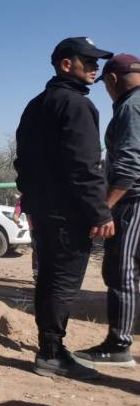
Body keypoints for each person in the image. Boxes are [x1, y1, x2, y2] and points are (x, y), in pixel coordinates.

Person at [14, 36, 115, 380]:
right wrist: (100, 211)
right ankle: (52, 354)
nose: (95, 67)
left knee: (50, 279)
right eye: (88, 61)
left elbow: (22, 162)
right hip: (68, 213)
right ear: (65, 64)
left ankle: (50, 347)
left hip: (43, 210)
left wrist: (28, 199)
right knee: (63, 283)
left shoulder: (35, 104)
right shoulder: (77, 106)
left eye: (96, 62)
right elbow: (84, 165)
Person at [75, 54, 140, 368]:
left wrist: (106, 208)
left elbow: (129, 164)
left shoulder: (131, 107)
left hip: (132, 202)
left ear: (112, 80)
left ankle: (118, 345)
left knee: (121, 272)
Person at [13, 195, 38, 280]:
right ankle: (36, 273)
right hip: (35, 230)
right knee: (37, 251)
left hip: (45, 229)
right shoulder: (23, 198)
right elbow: (16, 215)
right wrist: (17, 221)